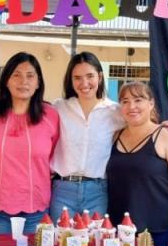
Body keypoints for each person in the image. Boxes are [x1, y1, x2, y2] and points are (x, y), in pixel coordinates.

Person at [106, 82, 168, 246]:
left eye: (138, 100)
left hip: (161, 233)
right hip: (122, 233)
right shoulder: (115, 136)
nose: (132, 106)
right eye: (125, 101)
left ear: (151, 103)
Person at [0, 52, 59, 234]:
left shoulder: (51, 115)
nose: (24, 81)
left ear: (38, 83)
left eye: (30, 76)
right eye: (17, 75)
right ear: (6, 80)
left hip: (36, 209)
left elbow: (53, 156)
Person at [49, 51, 122, 220]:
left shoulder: (114, 111)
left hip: (97, 191)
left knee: (94, 243)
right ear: (71, 80)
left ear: (100, 77)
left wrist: (164, 125)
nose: (84, 83)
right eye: (77, 78)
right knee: (60, 243)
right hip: (63, 190)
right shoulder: (59, 108)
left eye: (90, 76)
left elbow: (141, 124)